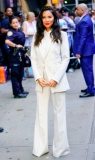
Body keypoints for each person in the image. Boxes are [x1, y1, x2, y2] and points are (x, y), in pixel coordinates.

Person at [31, 6, 70, 157]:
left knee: (59, 115)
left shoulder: (62, 35)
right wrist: (37, 77)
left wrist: (55, 78)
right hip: (41, 80)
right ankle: (40, 148)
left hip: (57, 80)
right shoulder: (36, 36)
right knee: (41, 114)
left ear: (55, 18)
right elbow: (33, 58)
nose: (47, 20)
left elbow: (65, 58)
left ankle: (60, 149)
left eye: (50, 17)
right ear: (40, 19)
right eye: (44, 17)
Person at [73, 3, 95, 98]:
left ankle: (91, 90)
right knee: (87, 70)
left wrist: (79, 51)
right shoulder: (86, 19)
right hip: (87, 49)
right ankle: (90, 87)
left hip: (85, 50)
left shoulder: (84, 21)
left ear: (82, 10)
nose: (76, 11)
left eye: (77, 9)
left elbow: (83, 38)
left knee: (87, 71)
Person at [5, 16, 29, 98]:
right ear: (11, 24)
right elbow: (7, 41)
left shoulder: (19, 31)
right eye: (13, 23)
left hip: (21, 54)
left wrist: (24, 52)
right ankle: (17, 92)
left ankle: (21, 90)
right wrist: (15, 45)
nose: (15, 24)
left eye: (16, 22)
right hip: (14, 55)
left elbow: (21, 44)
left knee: (21, 73)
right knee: (15, 74)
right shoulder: (11, 32)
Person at [1, 8, 13, 76]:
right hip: (5, 42)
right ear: (5, 12)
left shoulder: (11, 19)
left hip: (10, 42)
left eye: (11, 11)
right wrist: (11, 30)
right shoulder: (5, 21)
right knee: (7, 58)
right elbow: (2, 31)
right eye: (8, 11)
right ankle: (7, 74)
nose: (10, 12)